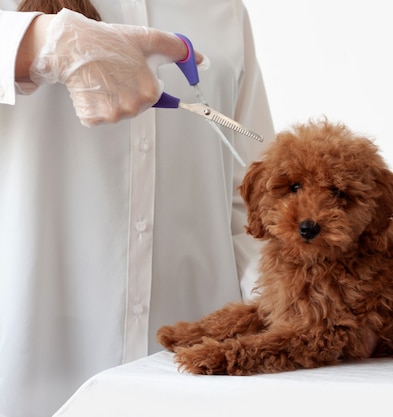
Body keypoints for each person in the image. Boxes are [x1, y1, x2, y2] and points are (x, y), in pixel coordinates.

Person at [0, 1, 274, 416]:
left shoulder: (223, 10)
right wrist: (44, 41)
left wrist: (288, 306)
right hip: (31, 371)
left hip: (195, 377)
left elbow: (254, 203)